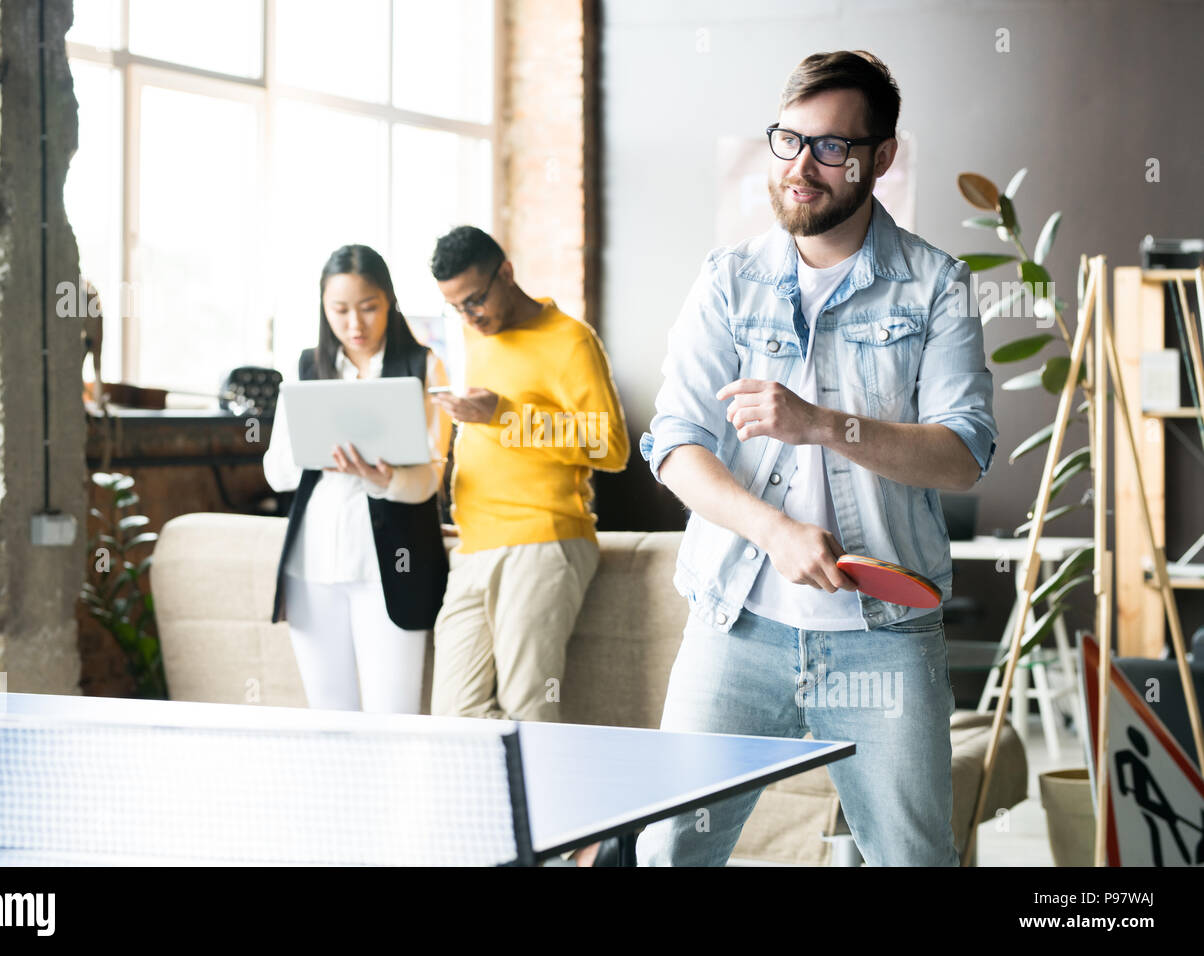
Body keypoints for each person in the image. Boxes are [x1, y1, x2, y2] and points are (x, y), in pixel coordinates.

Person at [634, 50, 998, 866]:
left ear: (881, 158)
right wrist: (773, 532)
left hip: (886, 638)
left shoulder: (937, 286)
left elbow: (962, 456)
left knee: (914, 859)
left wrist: (824, 425)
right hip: (736, 625)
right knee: (667, 855)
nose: (802, 167)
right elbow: (675, 445)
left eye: (832, 147)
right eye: (789, 140)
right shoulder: (726, 281)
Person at [427, 226, 628, 722]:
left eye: (474, 300)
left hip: (543, 539)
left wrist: (503, 415)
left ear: (507, 273)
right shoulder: (478, 337)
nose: (470, 316)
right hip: (476, 544)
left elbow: (613, 447)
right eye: (456, 308)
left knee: (529, 708)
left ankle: (548, 797)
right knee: (454, 714)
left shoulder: (570, 340)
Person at [263, 245, 451, 713]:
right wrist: (316, 457)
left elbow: (431, 477)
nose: (355, 325)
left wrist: (382, 478)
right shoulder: (308, 367)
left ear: (389, 300)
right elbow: (276, 471)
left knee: (395, 715)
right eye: (340, 311)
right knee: (329, 716)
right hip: (313, 564)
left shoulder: (423, 366)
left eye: (368, 308)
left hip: (392, 565)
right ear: (323, 309)